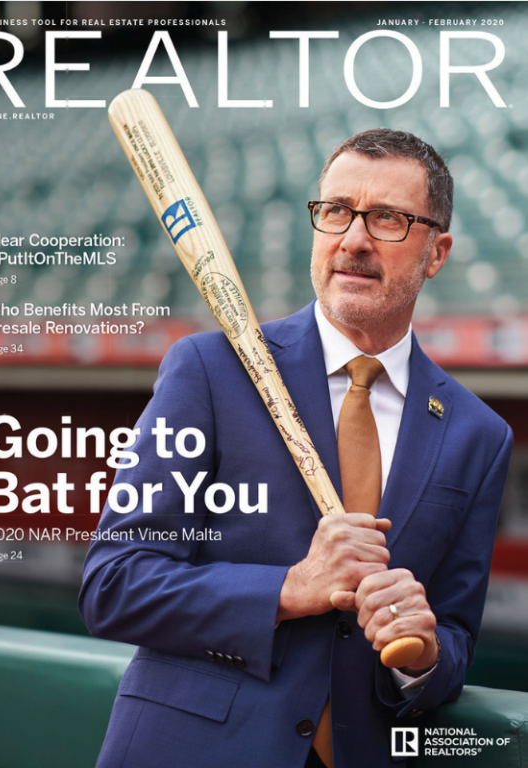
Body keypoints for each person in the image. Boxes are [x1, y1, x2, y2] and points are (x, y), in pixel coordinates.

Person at [78, 129, 513, 768]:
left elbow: (453, 640)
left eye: (389, 219)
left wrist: (422, 657)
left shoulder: (478, 434)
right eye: (336, 210)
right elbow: (113, 584)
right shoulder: (210, 369)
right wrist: (289, 587)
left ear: (437, 252)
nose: (354, 239)